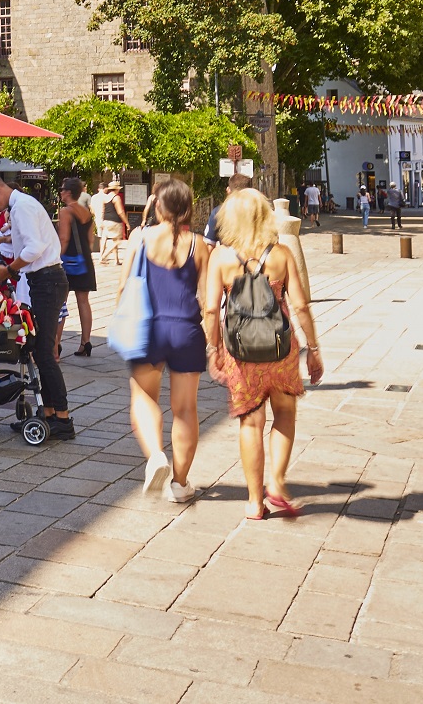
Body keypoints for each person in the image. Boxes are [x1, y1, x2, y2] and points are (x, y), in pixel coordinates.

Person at [204, 188, 324, 521]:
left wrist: (213, 349)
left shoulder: (222, 257)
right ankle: (277, 481)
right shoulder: (282, 254)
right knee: (284, 413)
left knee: (250, 421)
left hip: (241, 353)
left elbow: (212, 310)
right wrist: (314, 350)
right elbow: (300, 305)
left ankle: (255, 502)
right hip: (281, 349)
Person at [112, 179, 209, 504]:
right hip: (186, 331)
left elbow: (123, 286)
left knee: (143, 398)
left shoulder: (140, 237)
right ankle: (180, 485)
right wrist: (216, 343)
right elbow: (208, 300)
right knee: (185, 409)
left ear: (159, 205)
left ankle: (155, 456)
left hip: (148, 329)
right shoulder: (199, 244)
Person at [0, 172, 72, 438]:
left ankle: (62, 418)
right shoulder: (21, 206)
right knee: (39, 349)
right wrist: (11, 270)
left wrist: (8, 270)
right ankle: (49, 413)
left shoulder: (21, 209)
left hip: (48, 280)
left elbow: (34, 249)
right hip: (43, 279)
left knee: (43, 351)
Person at [56, 178, 99, 356]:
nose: (60, 191)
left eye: (62, 189)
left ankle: (56, 344)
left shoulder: (65, 211)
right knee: (84, 301)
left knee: (60, 302)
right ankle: (85, 342)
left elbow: (64, 238)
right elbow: (90, 240)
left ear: (68, 192)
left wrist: (57, 258)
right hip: (84, 260)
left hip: (68, 260)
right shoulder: (87, 213)